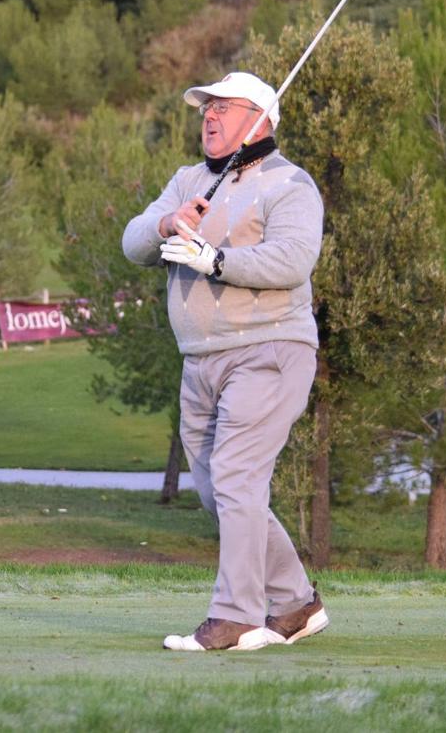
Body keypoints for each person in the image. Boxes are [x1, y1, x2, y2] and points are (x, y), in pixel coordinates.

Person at [122, 71, 328, 651]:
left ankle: (236, 615)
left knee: (236, 477)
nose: (208, 117)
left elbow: (291, 260)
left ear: (258, 120)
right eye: (205, 109)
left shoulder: (291, 184)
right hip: (200, 361)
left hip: (269, 349)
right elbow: (133, 240)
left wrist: (214, 258)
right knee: (220, 491)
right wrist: (167, 222)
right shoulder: (190, 179)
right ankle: (294, 602)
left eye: (222, 108)